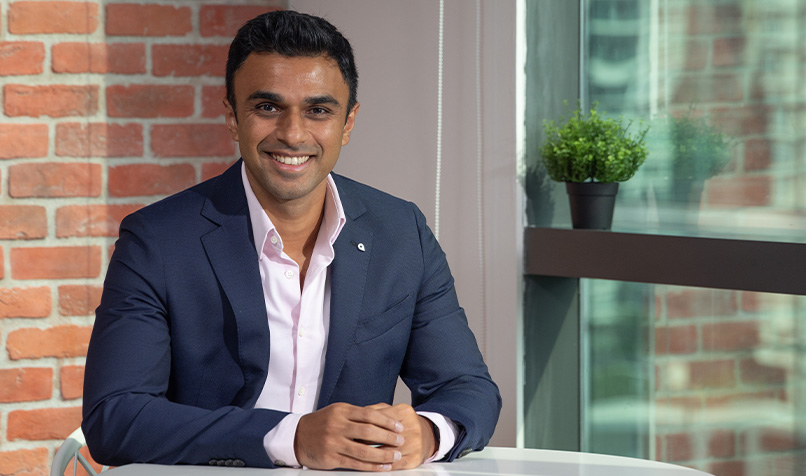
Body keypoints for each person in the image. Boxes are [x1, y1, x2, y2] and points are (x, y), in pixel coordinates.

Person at [82, 10, 500, 471]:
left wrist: (425, 432)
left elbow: (469, 390)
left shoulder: (402, 233)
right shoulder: (157, 240)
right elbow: (115, 418)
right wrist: (291, 438)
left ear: (348, 122)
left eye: (318, 110)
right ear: (232, 117)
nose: (293, 134)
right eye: (267, 107)